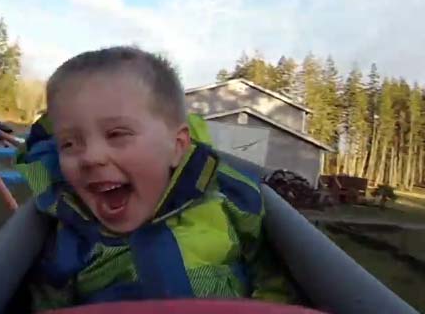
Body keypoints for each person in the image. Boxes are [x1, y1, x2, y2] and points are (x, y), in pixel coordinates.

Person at [15, 46, 297, 311]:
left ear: (177, 146)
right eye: (69, 143)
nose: (91, 157)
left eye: (116, 134)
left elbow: (271, 271)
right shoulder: (70, 238)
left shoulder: (230, 199)